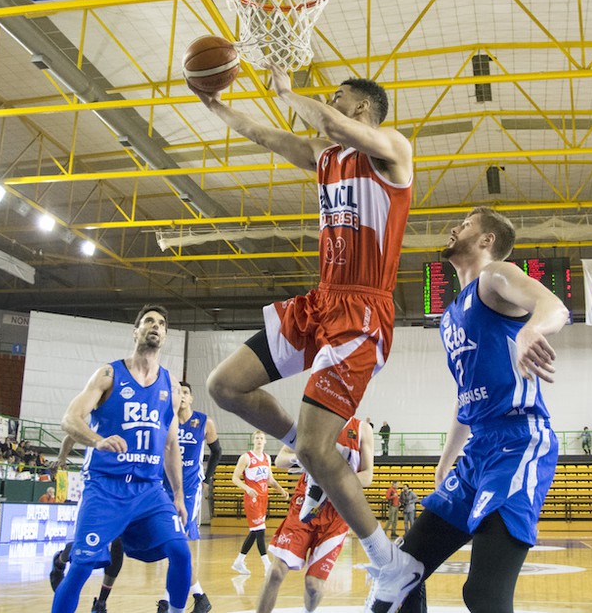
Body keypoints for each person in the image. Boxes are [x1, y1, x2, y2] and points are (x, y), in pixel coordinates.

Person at [195, 63, 414, 584]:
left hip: (362, 311)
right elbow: (267, 136)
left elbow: (336, 127)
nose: (328, 102)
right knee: (223, 386)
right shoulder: (327, 158)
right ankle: (307, 446)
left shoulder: (392, 150)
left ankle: (390, 563)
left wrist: (288, 91)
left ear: (362, 107)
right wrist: (215, 105)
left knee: (320, 452)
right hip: (320, 302)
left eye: (337, 96)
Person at [372, 207, 569, 613]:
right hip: (477, 451)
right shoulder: (451, 314)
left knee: (482, 594)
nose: (453, 228)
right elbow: (466, 398)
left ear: (486, 240)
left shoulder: (496, 276)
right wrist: (446, 460)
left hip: (517, 442)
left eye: (465, 225)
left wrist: (534, 327)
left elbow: (554, 307)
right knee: (398, 573)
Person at [50, 305, 191, 613]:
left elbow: (171, 446)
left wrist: (178, 495)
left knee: (180, 552)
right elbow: (69, 419)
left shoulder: (171, 386)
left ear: (165, 336)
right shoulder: (109, 374)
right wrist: (97, 440)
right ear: (136, 331)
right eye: (149, 321)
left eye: (162, 323)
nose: (155, 325)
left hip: (149, 490)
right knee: (81, 567)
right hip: (105, 487)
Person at [257, 417, 373, 613]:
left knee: (313, 585)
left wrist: (330, 478)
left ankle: (308, 611)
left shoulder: (361, 429)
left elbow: (367, 476)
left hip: (337, 512)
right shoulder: (312, 419)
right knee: (276, 571)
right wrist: (298, 458)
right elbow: (280, 460)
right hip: (305, 503)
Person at [157, 381, 222, 613]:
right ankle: (199, 596)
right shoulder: (165, 419)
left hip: (190, 490)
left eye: (186, 392)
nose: (182, 396)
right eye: (178, 392)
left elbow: (217, 452)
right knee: (172, 545)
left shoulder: (204, 422)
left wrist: (207, 480)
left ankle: (168, 600)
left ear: (191, 398)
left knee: (178, 543)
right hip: (164, 487)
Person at [50, 437, 127, 613]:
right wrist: (62, 457)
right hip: (95, 489)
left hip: (123, 491)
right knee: (84, 548)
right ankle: (59, 561)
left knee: (118, 546)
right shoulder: (100, 416)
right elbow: (71, 433)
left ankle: (101, 602)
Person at [231, 430, 289, 575]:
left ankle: (238, 562)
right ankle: (267, 564)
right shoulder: (246, 457)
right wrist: (247, 488)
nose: (258, 440)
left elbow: (270, 479)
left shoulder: (267, 458)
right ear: (253, 440)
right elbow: (235, 478)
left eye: (261, 438)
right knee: (260, 531)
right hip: (252, 499)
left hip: (263, 498)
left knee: (254, 531)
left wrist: (282, 490)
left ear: (265, 441)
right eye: (256, 438)